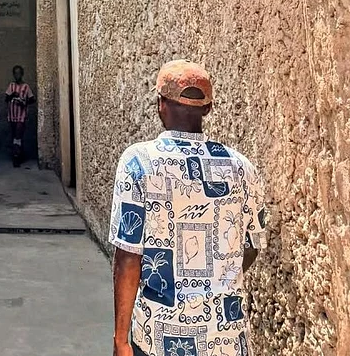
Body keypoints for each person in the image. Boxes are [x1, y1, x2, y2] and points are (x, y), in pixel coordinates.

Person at [110, 60, 268, 356]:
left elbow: (128, 256)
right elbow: (253, 244)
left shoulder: (139, 163)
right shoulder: (241, 167)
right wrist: (217, 281)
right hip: (226, 336)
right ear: (207, 109)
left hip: (159, 335)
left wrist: (121, 338)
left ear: (160, 105)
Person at [5, 65, 35, 167]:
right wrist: (13, 95)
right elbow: (6, 98)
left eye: (19, 73)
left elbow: (32, 99)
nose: (17, 75)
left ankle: (16, 157)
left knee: (18, 134)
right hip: (12, 114)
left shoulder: (26, 87)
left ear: (22, 74)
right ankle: (18, 153)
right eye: (15, 73)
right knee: (15, 136)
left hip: (21, 114)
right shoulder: (11, 86)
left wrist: (24, 102)